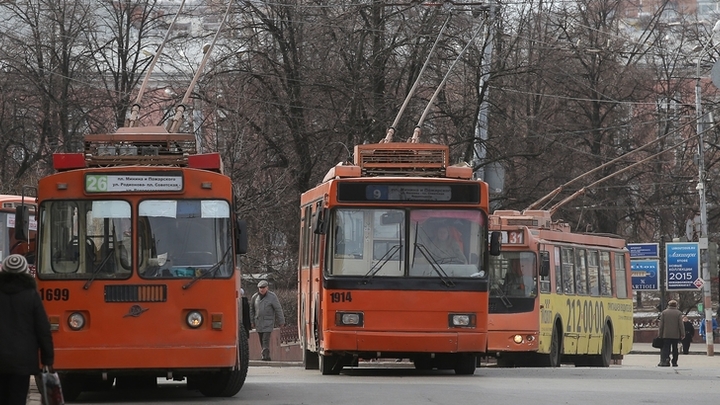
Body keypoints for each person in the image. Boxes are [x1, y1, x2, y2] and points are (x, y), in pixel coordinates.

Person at [0, 254, 54, 405]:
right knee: (18, 398)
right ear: (25, 271)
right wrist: (47, 359)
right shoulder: (31, 296)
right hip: (22, 361)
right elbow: (43, 329)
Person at [250, 280, 285, 361]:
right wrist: (252, 321)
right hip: (258, 322)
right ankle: (266, 354)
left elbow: (278, 309)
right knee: (261, 338)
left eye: (263, 288)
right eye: (260, 288)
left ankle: (265, 355)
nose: (261, 289)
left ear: (267, 288)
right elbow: (252, 309)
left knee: (265, 339)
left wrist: (281, 321)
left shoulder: (272, 297)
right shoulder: (255, 297)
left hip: (268, 322)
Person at [657, 299, 684, 367]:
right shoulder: (678, 313)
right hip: (675, 335)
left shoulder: (664, 313)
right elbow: (681, 325)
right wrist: (682, 334)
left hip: (666, 334)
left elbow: (661, 325)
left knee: (666, 348)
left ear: (668, 305)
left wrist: (660, 334)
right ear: (676, 305)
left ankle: (666, 360)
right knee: (675, 348)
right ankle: (674, 362)